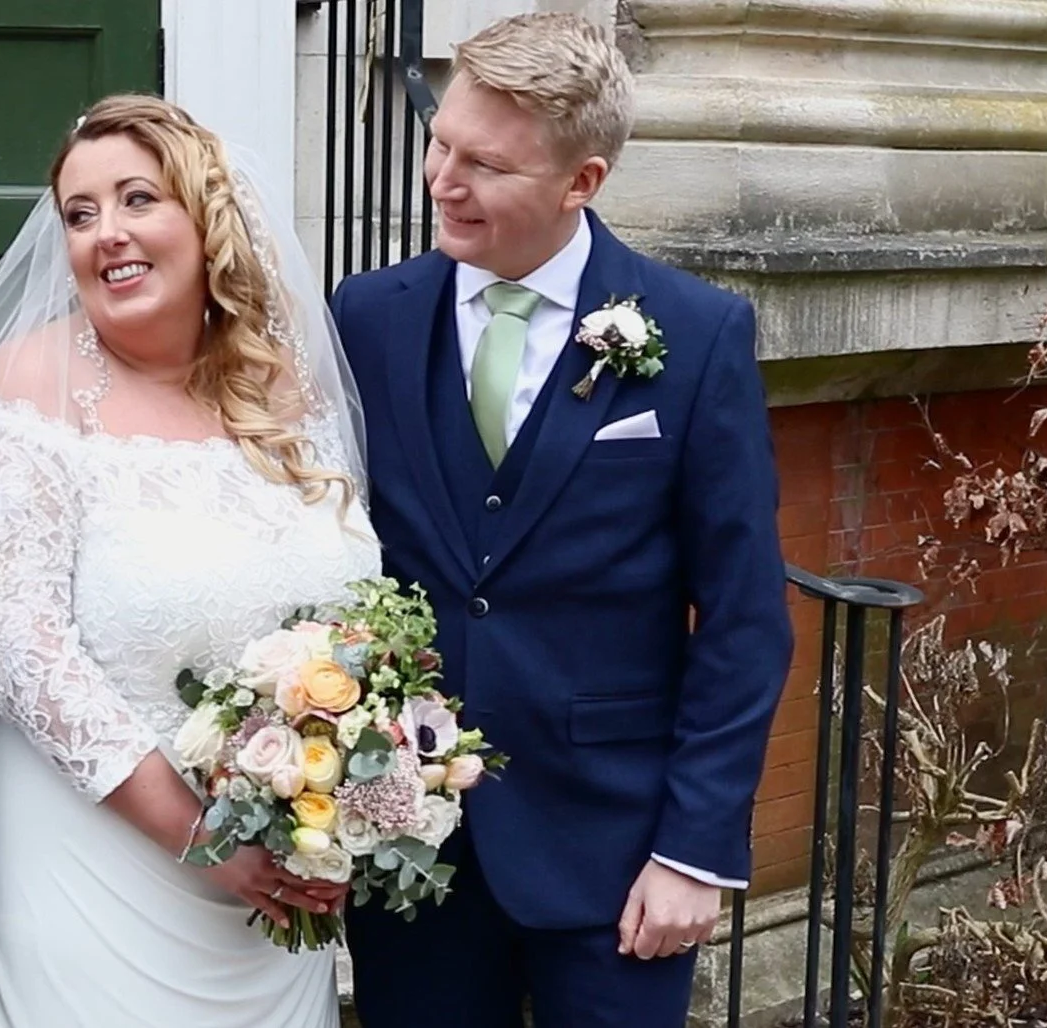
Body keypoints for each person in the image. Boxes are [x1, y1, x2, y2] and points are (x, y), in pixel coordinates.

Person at [332, 14, 796, 1028]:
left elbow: (744, 614)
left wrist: (693, 849)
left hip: (618, 853)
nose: (441, 181)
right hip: (414, 850)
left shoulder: (697, 335)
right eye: (438, 141)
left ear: (582, 181)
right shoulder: (363, 317)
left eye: (485, 165)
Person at [0, 95, 364, 1027]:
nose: (106, 235)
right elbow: (14, 641)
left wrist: (339, 783)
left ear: (205, 219)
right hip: (95, 853)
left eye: (137, 200)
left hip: (276, 860)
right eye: (80, 215)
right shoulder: (29, 386)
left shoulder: (280, 378)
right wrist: (204, 834)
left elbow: (357, 614)